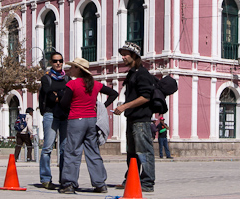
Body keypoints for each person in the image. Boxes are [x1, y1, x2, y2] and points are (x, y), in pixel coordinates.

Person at [56, 57, 117, 194]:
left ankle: (69, 184)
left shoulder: (72, 84)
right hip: (91, 120)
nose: (70, 69)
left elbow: (64, 104)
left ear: (78, 69)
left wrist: (61, 99)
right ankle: (100, 183)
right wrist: (102, 107)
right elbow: (114, 93)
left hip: (76, 120)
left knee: (72, 151)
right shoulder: (94, 84)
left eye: (72, 67)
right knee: (93, 151)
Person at [114, 41, 156, 193]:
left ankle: (147, 182)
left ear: (134, 55)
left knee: (143, 151)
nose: (123, 57)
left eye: (125, 54)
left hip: (141, 119)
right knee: (132, 153)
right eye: (122, 54)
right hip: (132, 118)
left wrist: (124, 106)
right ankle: (131, 179)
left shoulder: (142, 74)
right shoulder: (132, 73)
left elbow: (146, 96)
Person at [39, 51, 70, 189]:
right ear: (50, 63)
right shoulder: (46, 78)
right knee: (47, 147)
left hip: (65, 115)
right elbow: (50, 95)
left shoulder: (68, 79)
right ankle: (45, 179)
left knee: (64, 148)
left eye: (60, 61)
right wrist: (60, 95)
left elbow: (69, 94)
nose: (58, 63)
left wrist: (59, 95)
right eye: (55, 61)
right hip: (50, 114)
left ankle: (64, 179)